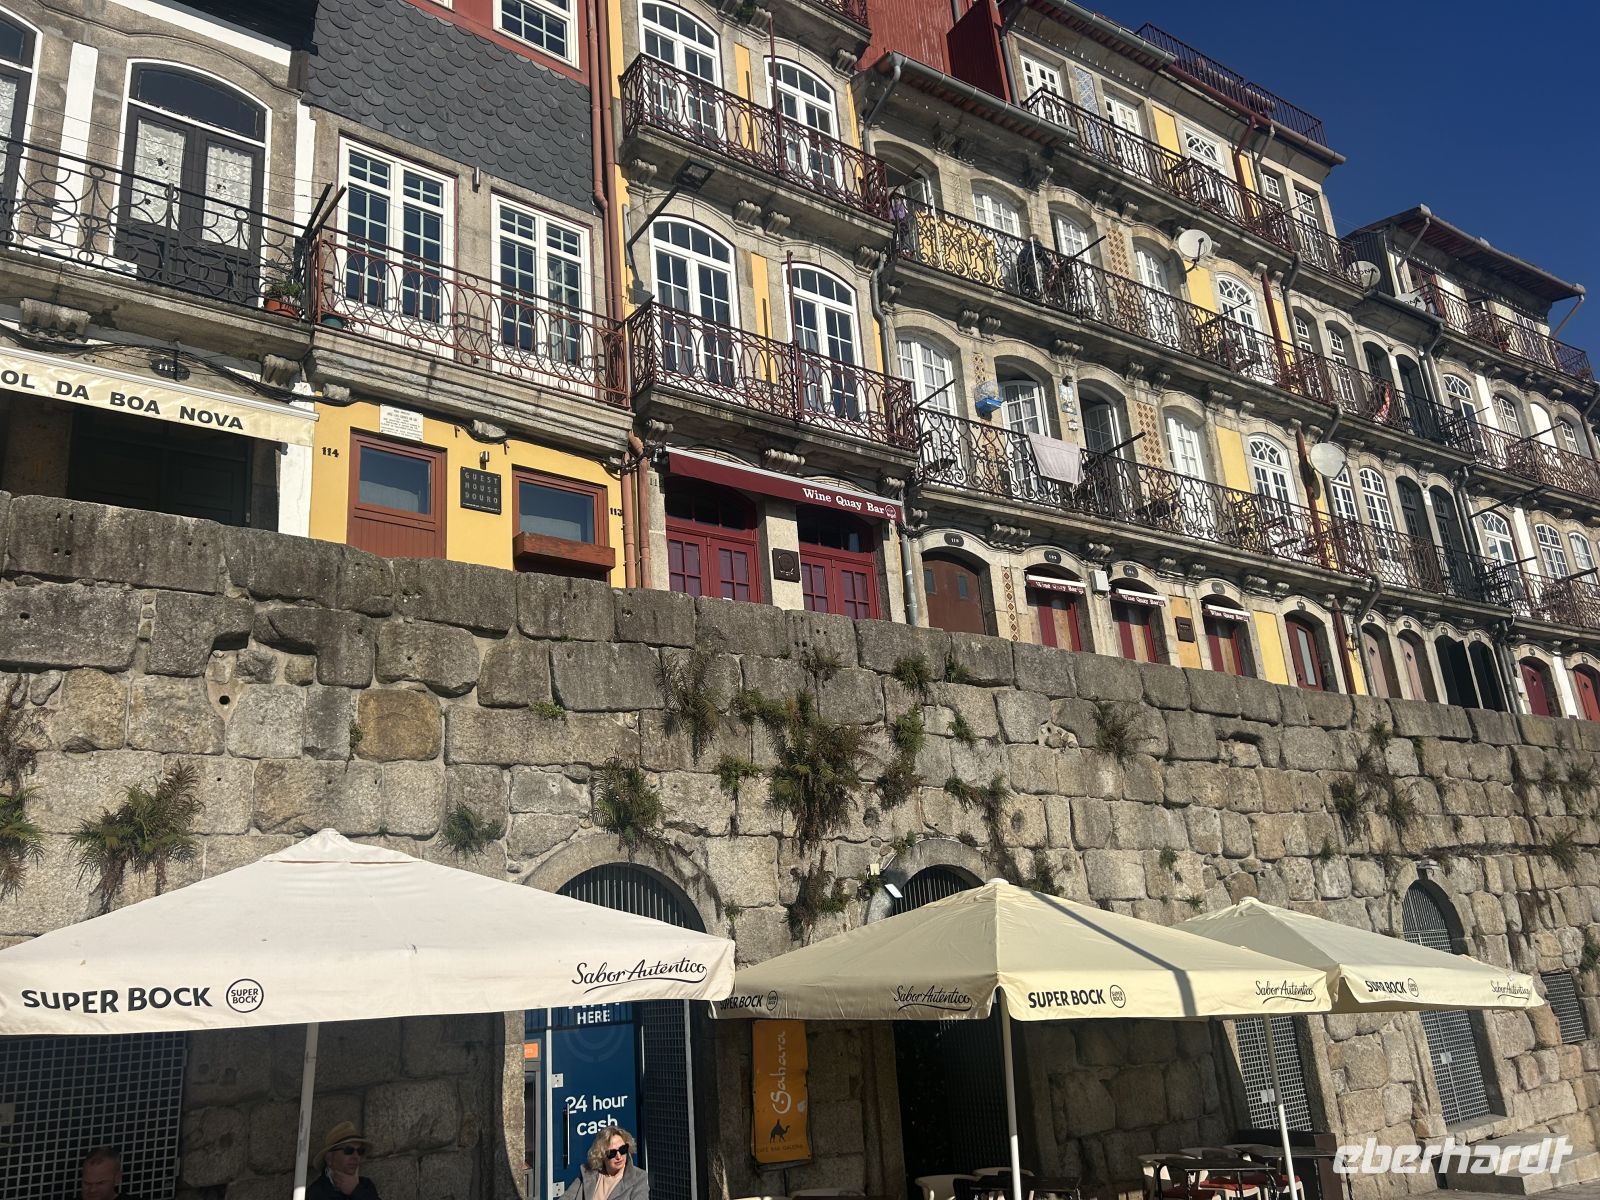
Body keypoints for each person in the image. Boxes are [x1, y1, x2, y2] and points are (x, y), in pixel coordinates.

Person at [306, 1122, 379, 1200]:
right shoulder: (315, 1193)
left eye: (360, 1151)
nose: (356, 1156)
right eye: (348, 1150)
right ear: (329, 1158)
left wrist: (356, 1190)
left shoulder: (366, 1185)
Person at [573, 1127, 648, 1200]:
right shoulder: (587, 1173)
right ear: (602, 1155)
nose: (618, 1156)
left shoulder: (639, 1178)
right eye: (612, 1153)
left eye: (623, 1149)